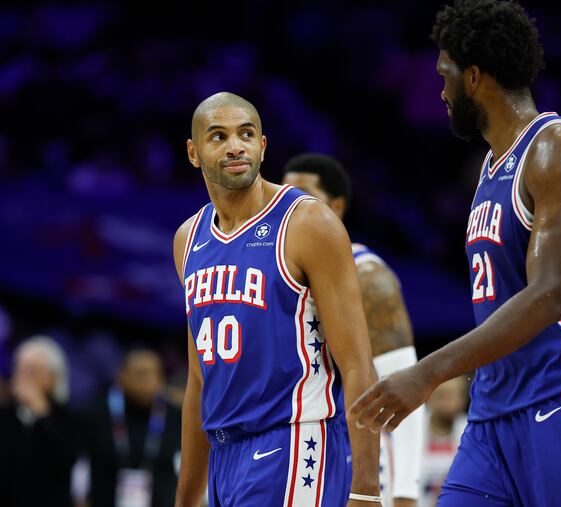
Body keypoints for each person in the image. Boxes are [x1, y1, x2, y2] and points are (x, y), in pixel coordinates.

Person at [349, 1, 561, 506]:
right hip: (494, 417)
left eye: (445, 75)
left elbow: (550, 295)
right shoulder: (491, 167)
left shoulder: (559, 150)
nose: (440, 90)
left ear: (473, 78)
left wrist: (428, 372)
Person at [173, 92, 380, 507]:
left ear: (262, 146)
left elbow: (357, 361)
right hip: (224, 456)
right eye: (218, 136)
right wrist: (186, 497)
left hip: (295, 441)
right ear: (194, 153)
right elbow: (199, 380)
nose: (235, 146)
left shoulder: (308, 222)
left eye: (246, 134)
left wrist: (366, 491)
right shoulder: (188, 239)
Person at [283, 152, 424, 507]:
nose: (292, 209)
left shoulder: (370, 277)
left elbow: (403, 392)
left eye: (303, 196)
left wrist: (405, 492)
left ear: (338, 206)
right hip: (293, 453)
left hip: (357, 459)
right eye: (285, 198)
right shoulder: (274, 270)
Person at [77, 347, 182, 507]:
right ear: (121, 376)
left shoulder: (175, 416)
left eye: (153, 374)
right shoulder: (96, 414)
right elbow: (80, 469)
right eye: (140, 374)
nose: (146, 381)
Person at [0, 335, 77, 507]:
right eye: (20, 369)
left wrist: (42, 414)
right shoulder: (4, 414)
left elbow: (66, 462)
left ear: (52, 378)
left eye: (32, 371)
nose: (23, 377)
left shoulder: (67, 418)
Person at [419, 377, 468, 507]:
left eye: (457, 396)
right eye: (444, 396)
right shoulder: (414, 428)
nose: (451, 403)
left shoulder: (469, 432)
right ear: (429, 397)